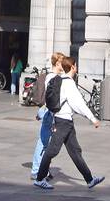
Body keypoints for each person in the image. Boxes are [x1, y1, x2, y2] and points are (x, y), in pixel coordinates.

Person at [33, 57, 105, 191]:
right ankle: (39, 179)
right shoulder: (69, 83)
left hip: (65, 121)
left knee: (75, 151)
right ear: (72, 67)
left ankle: (89, 179)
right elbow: (78, 104)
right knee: (52, 150)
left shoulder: (58, 80)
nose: (76, 67)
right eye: (75, 65)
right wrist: (92, 118)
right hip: (62, 122)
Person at [30, 52, 64, 181]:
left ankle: (43, 169)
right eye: (62, 62)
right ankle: (36, 170)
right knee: (44, 142)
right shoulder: (52, 77)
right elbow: (51, 98)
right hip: (48, 111)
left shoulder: (55, 76)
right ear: (57, 63)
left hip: (47, 111)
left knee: (47, 143)